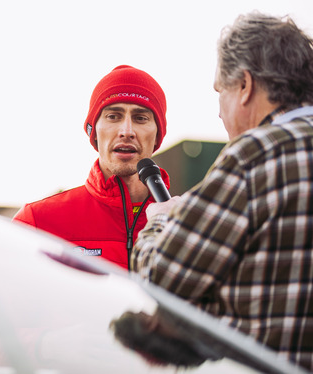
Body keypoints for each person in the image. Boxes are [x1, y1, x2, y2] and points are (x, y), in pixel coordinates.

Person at [131, 12, 313, 371]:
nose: (218, 112)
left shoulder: (254, 156)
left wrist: (161, 223)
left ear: (245, 85)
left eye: (220, 91)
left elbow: (159, 278)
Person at [14, 65, 170, 270]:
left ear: (158, 135)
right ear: (93, 131)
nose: (127, 131)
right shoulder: (36, 222)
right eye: (113, 116)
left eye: (140, 118)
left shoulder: (189, 225)